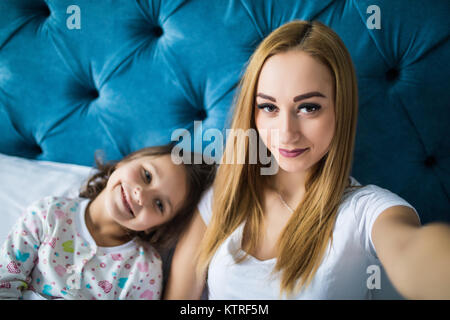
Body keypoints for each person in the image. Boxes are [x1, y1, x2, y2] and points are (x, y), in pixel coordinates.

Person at [165, 20, 450, 300]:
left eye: (308, 108)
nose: (286, 133)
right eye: (268, 107)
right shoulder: (223, 195)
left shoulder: (364, 212)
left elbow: (411, 250)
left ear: (341, 109)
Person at [0, 144, 215, 299]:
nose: (141, 195)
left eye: (159, 204)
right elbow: (5, 281)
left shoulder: (144, 270)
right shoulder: (47, 214)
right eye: (147, 176)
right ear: (128, 160)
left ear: (158, 226)